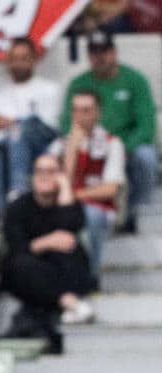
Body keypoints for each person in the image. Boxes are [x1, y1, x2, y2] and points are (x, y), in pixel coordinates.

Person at [62, 32, 155, 223]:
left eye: (104, 51)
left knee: (147, 156)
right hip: (90, 146)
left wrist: (123, 148)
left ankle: (138, 210)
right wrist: (83, 144)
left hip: (126, 145)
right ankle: (73, 211)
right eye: (94, 53)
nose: (100, 57)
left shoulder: (135, 80)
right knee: (58, 152)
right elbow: (66, 123)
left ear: (114, 52)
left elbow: (146, 126)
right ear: (89, 56)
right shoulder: (79, 83)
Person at [4, 153, 97, 335]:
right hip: (27, 271)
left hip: (58, 270)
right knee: (21, 264)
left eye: (51, 171)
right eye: (39, 171)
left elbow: (70, 233)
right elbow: (16, 246)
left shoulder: (70, 203)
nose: (44, 176)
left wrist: (64, 191)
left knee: (70, 253)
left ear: (60, 176)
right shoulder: (18, 207)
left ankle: (57, 308)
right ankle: (69, 303)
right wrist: (47, 242)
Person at [0, 38, 62, 213]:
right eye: (14, 59)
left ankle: (19, 190)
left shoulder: (49, 89)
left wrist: (12, 123)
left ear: (34, 59)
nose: (18, 64)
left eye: (24, 58)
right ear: (8, 62)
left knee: (19, 131)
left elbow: (50, 127)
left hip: (42, 145)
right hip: (5, 147)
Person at [58, 88, 127, 276]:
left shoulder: (112, 143)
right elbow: (59, 183)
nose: (80, 116)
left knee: (91, 215)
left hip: (99, 207)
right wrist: (72, 149)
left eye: (86, 110)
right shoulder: (61, 144)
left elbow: (110, 189)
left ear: (98, 113)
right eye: (76, 110)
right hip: (65, 206)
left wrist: (74, 194)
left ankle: (91, 275)